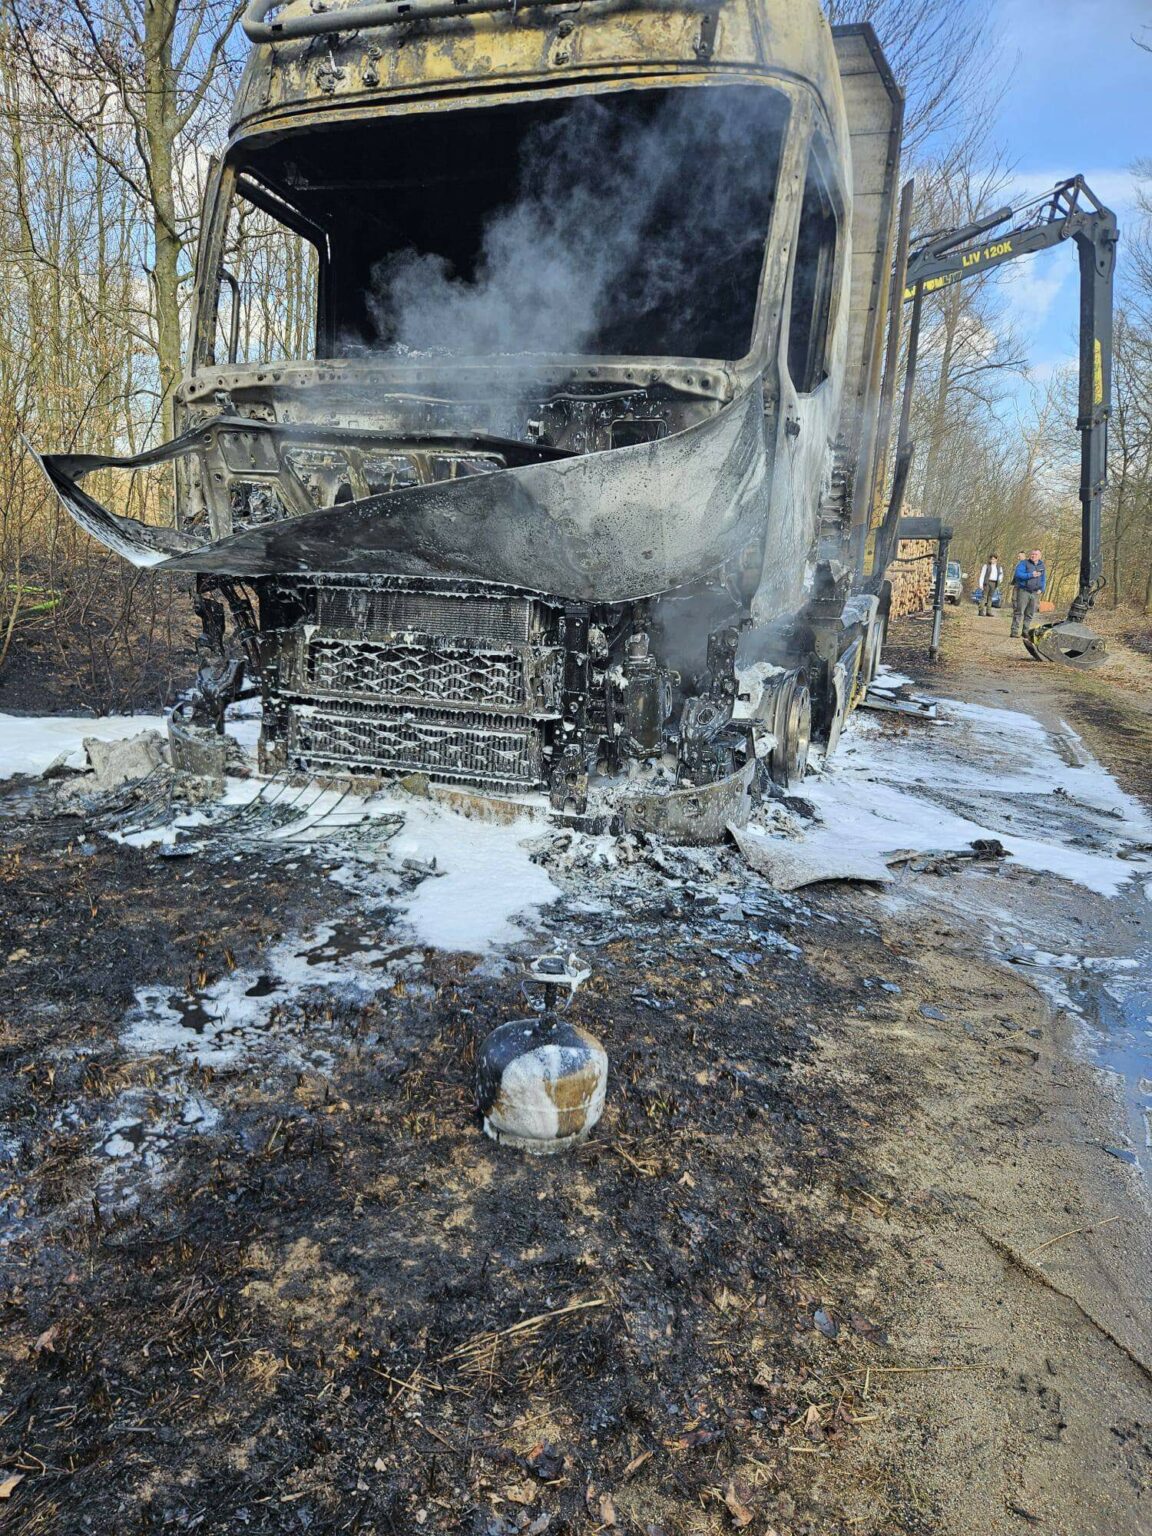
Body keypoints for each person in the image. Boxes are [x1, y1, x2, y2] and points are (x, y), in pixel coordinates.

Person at [1010, 549, 1046, 637]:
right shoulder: (1024, 563)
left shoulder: (1042, 565)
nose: (1033, 556)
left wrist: (1042, 589)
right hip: (1024, 591)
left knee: (1030, 613)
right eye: (1032, 554)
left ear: (1040, 556)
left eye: (1036, 554)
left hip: (1035, 593)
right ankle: (1014, 631)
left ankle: (1025, 631)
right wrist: (1030, 575)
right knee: (1019, 612)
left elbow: (1043, 579)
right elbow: (1018, 574)